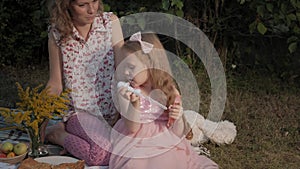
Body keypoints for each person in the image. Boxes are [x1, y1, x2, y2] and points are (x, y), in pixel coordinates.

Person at [109, 32, 218, 169]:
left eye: (131, 67)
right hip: (136, 140)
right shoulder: (127, 90)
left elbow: (177, 133)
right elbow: (132, 128)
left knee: (168, 159)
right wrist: (134, 104)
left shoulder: (169, 91)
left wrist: (177, 118)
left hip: (164, 137)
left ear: (150, 65)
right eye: (124, 66)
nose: (125, 72)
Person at [43, 0, 124, 166]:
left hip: (113, 114)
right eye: (82, 5)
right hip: (79, 115)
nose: (91, 9)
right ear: (66, 5)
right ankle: (58, 135)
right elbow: (55, 84)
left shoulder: (110, 23)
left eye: (94, 1)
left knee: (133, 151)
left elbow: (123, 71)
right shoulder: (57, 33)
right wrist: (41, 122)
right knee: (102, 155)